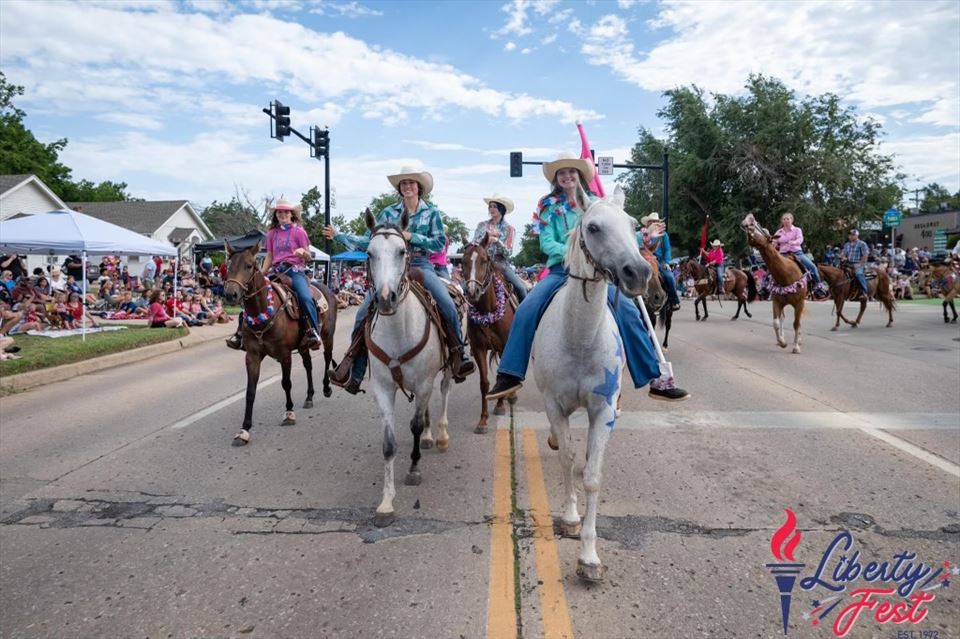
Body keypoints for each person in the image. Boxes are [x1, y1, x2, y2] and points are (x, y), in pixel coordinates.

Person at [487, 152, 688, 402]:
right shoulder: (546, 206)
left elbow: (617, 237)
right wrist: (574, 254)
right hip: (561, 270)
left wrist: (645, 236)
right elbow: (547, 242)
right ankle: (510, 373)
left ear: (580, 175)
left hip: (595, 273)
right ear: (556, 178)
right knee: (527, 309)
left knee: (629, 312)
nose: (567, 175)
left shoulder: (597, 204)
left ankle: (653, 376)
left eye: (572, 171)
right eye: (562, 172)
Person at [323, 165, 475, 394]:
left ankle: (458, 355)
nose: (407, 187)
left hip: (421, 264)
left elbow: (438, 243)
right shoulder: (387, 213)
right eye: (403, 184)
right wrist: (340, 236)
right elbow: (369, 241)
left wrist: (411, 236)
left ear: (419, 187)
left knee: (446, 303)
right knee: (362, 313)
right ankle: (353, 368)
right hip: (391, 268)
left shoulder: (431, 213)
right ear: (399, 188)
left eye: (411, 183)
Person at [225, 200, 322, 350]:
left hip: (295, 270)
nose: (282, 214)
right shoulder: (271, 233)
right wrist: (261, 273)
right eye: (279, 212)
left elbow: (309, 254)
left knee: (305, 297)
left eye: (286, 212)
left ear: (292, 214)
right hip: (276, 270)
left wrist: (303, 253)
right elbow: (270, 256)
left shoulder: (299, 231)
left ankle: (313, 332)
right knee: (251, 293)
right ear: (276, 215)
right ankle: (241, 334)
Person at [472, 194, 526, 302]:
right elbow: (474, 244)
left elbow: (508, 252)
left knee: (521, 288)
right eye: (490, 206)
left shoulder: (510, 229)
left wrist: (497, 241)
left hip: (500, 264)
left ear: (502, 209)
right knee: (465, 287)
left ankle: (524, 314)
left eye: (494, 206)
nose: (491, 209)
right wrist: (486, 238)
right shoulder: (481, 225)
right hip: (482, 262)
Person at [772, 212, 824, 296]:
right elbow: (774, 242)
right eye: (784, 219)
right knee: (770, 268)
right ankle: (765, 287)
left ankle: (818, 287)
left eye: (788, 219)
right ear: (782, 221)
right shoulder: (779, 232)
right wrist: (771, 245)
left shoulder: (797, 230)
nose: (786, 221)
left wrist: (793, 242)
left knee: (812, 266)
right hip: (783, 254)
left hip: (797, 253)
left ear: (792, 220)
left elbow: (800, 240)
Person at [638, 212, 679, 311]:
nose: (655, 223)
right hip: (646, 259)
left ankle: (674, 300)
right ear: (648, 223)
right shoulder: (642, 234)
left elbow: (667, 249)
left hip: (660, 261)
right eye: (652, 221)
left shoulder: (663, 235)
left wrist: (666, 262)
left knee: (669, 276)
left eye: (656, 221)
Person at [840, 229, 870, 299]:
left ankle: (864, 291)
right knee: (839, 273)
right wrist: (843, 257)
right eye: (850, 235)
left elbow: (865, 254)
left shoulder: (862, 244)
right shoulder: (847, 244)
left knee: (858, 274)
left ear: (857, 236)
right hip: (848, 263)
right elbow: (843, 253)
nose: (850, 236)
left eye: (853, 235)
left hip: (859, 263)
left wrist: (860, 263)